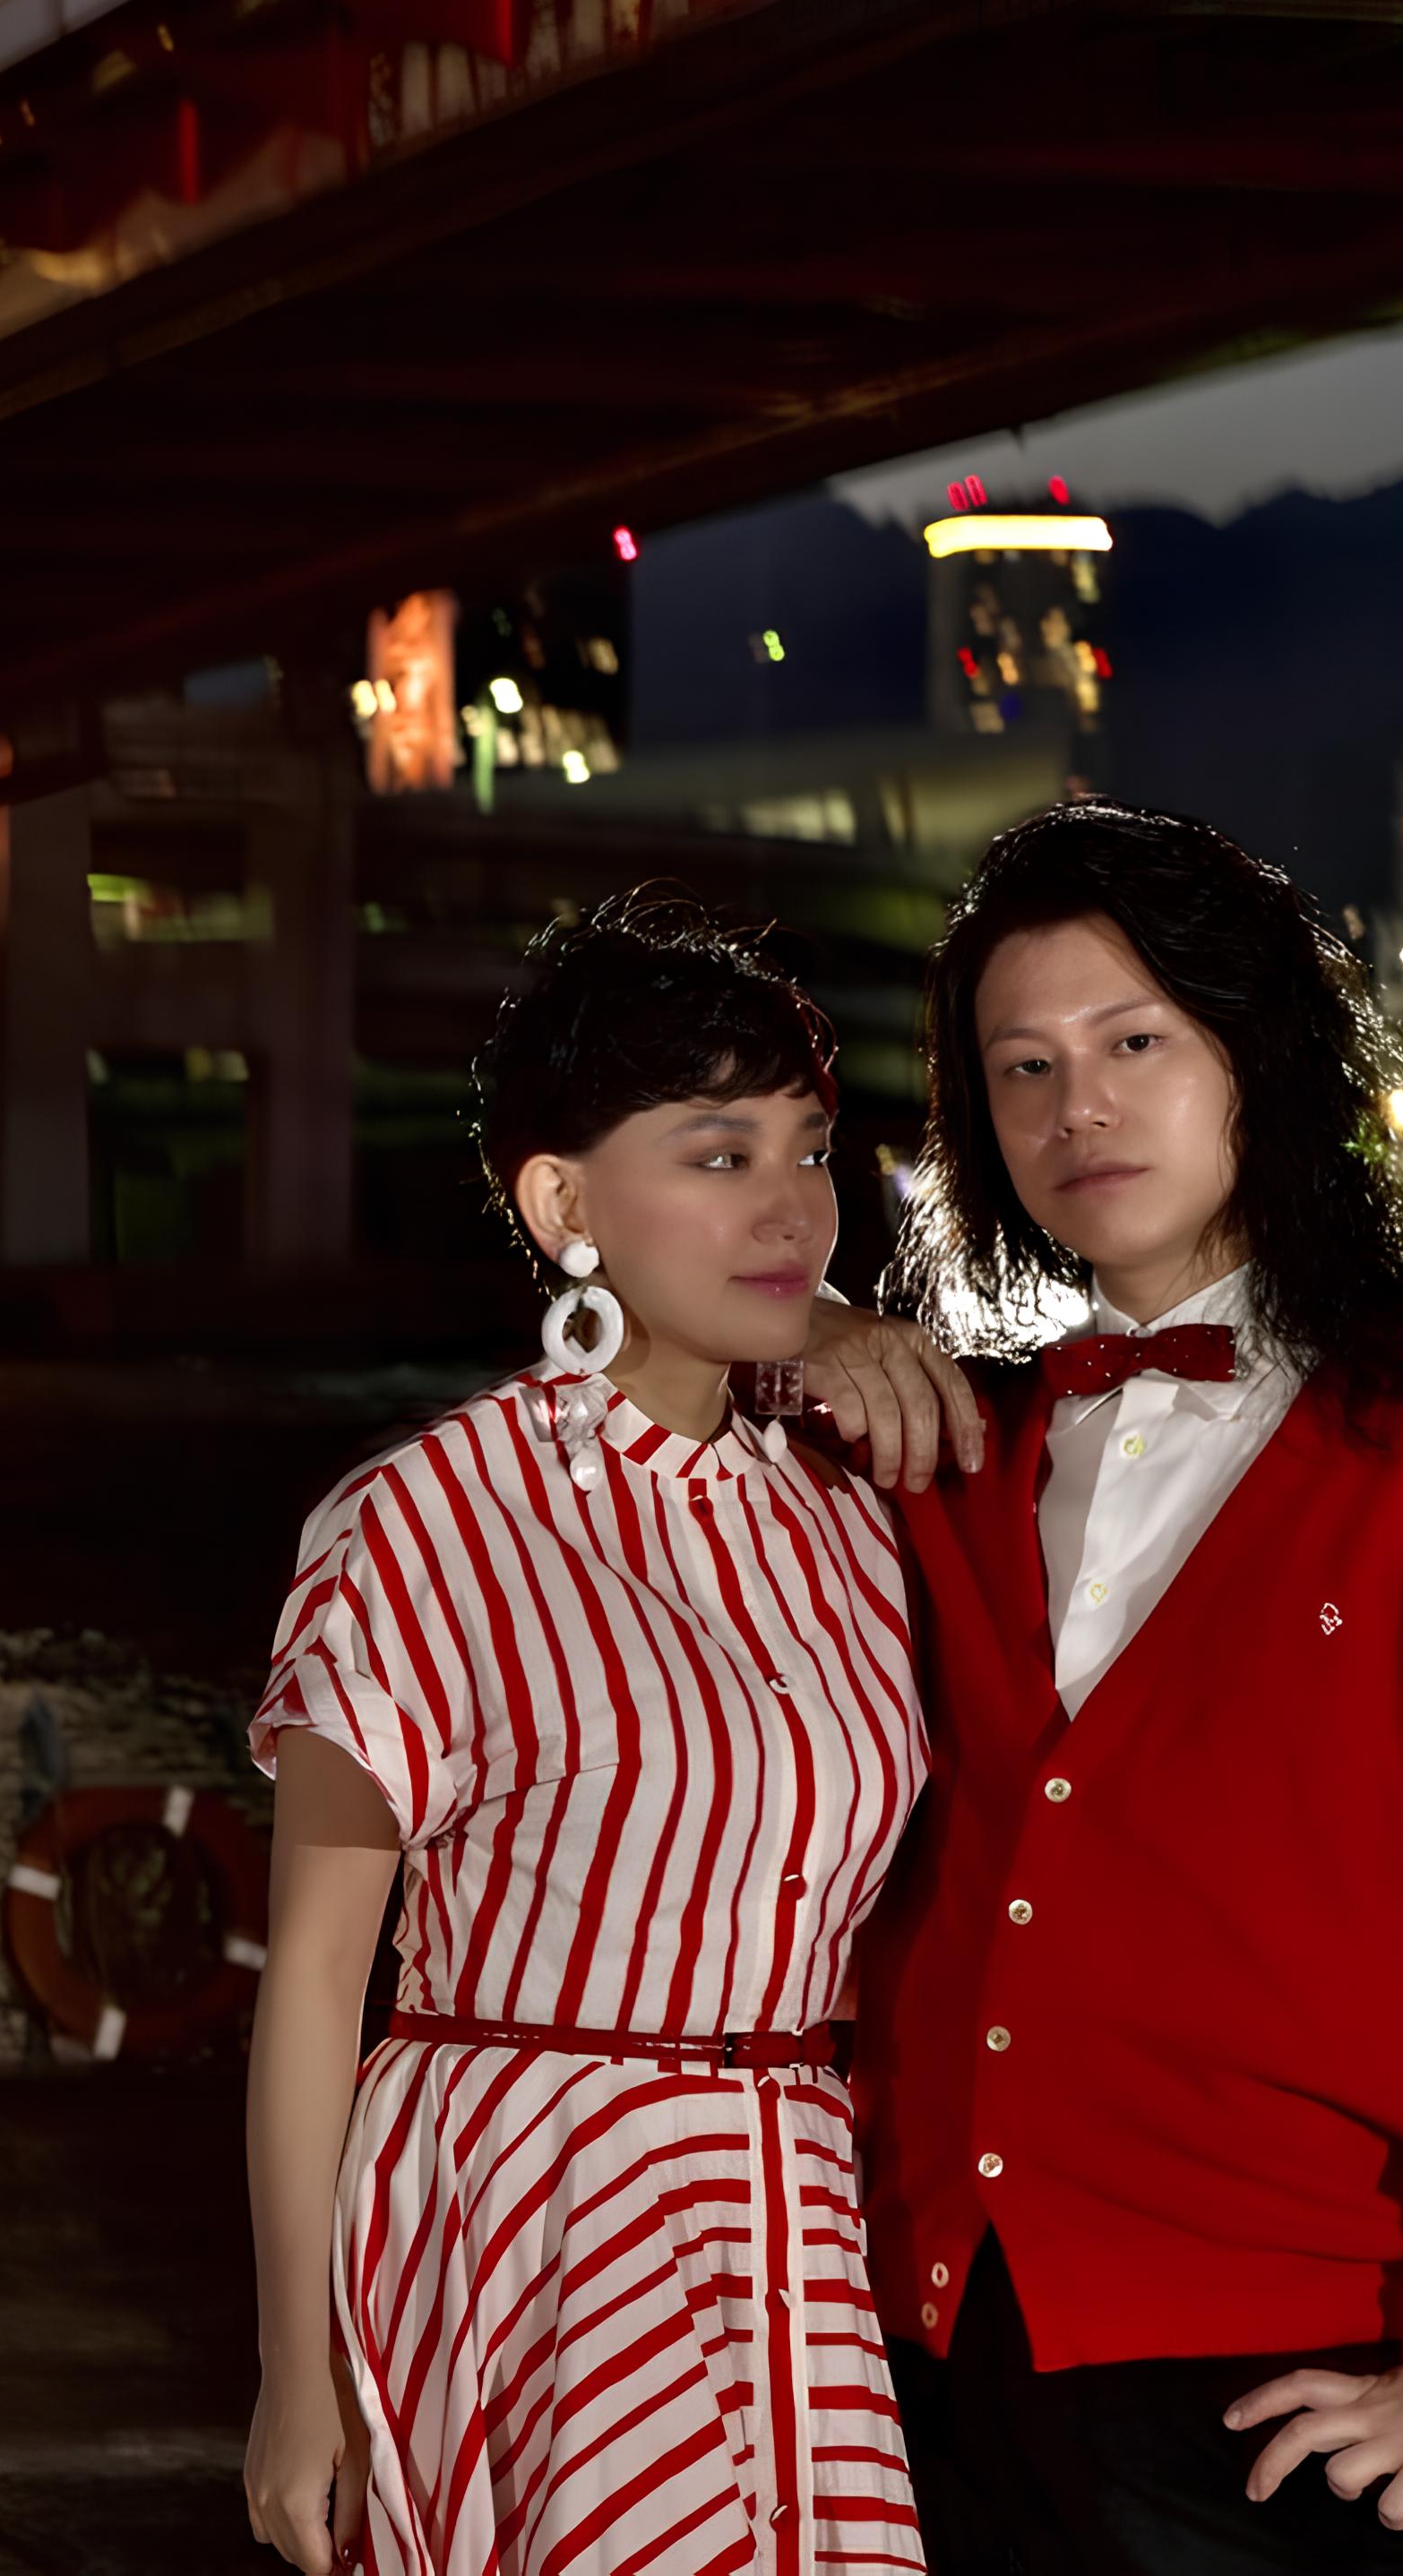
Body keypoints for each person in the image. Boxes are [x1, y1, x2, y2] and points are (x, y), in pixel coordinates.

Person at [856, 803, 1403, 2572]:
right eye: (1022, 1067)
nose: (1077, 1107)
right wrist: (805, 1328)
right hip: (919, 2344)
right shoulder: (949, 1445)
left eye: (1134, 1042)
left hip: (1261, 2365)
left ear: (1257, 1057)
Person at [243, 890, 937, 2576]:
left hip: (797, 2221)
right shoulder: (426, 1520)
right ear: (564, 1204)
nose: (790, 1206)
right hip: (536, 2216)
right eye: (718, 1155)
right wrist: (295, 2375)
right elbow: (318, 1976)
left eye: (809, 1150)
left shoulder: (849, 1519)